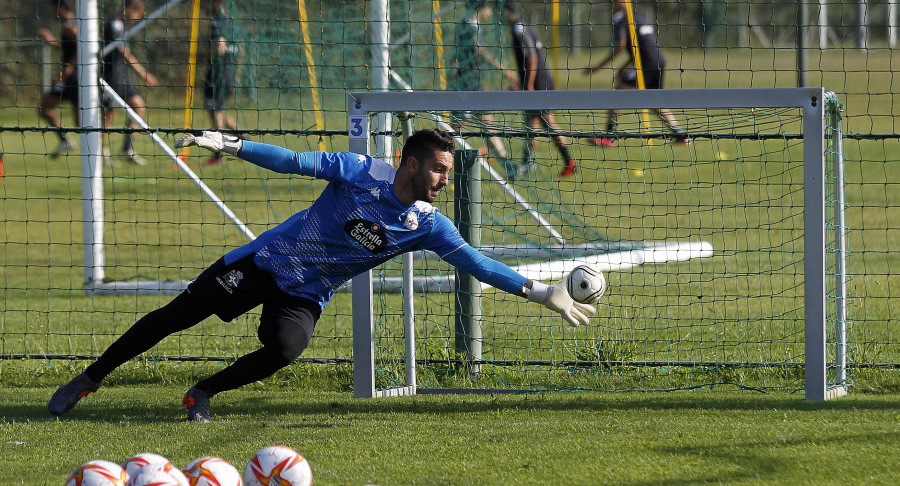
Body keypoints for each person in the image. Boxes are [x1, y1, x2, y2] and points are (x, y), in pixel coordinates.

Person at [48, 129, 596, 422]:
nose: (442, 180)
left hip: (305, 294)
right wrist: (235, 145)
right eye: (437, 168)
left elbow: (476, 263)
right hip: (262, 265)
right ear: (408, 162)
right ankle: (89, 379)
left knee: (287, 348)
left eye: (447, 173)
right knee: (172, 319)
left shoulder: (427, 225)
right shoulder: (360, 174)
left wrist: (538, 290)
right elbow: (292, 161)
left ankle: (201, 394)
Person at [582, 0, 690, 147]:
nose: (609, 4)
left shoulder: (622, 17)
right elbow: (639, 47)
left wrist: (597, 68)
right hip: (658, 60)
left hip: (645, 64)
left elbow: (620, 45)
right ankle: (681, 135)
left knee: (617, 94)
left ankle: (608, 136)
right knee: (654, 100)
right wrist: (625, 66)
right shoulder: (638, 15)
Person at [501, 1, 576, 179]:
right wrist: (523, 81)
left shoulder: (519, 28)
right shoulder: (524, 24)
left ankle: (569, 162)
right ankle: (528, 164)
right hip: (538, 81)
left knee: (547, 122)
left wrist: (529, 84)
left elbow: (532, 57)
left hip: (538, 83)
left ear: (504, 11)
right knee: (530, 123)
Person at [450, 0, 519, 181]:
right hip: (468, 85)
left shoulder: (466, 26)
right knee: (454, 130)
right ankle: (440, 167)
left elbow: (457, 56)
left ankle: (508, 166)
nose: (490, 12)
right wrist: (504, 70)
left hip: (470, 84)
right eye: (489, 8)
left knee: (487, 125)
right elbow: (478, 51)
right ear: (482, 7)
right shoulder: (471, 26)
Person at [102, 0, 158, 165]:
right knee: (109, 115)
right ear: (128, 9)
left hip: (123, 76)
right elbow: (124, 53)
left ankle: (127, 149)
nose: (137, 17)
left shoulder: (122, 27)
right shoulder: (115, 25)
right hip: (111, 77)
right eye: (137, 13)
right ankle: (102, 153)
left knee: (138, 107)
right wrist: (143, 73)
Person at [38, 0, 79, 157]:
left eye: (54, 9)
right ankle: (65, 139)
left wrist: (68, 69)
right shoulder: (70, 25)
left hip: (74, 79)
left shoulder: (70, 26)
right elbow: (70, 47)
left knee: (82, 123)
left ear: (61, 8)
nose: (52, 13)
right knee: (45, 108)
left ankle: (102, 149)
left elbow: (83, 46)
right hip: (73, 78)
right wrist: (52, 41)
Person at [202, 0, 241, 166]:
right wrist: (237, 75)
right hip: (230, 73)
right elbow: (241, 50)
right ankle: (244, 138)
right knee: (218, 110)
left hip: (217, 74)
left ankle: (218, 156)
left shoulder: (217, 23)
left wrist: (205, 55)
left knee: (217, 112)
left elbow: (220, 47)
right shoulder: (234, 24)